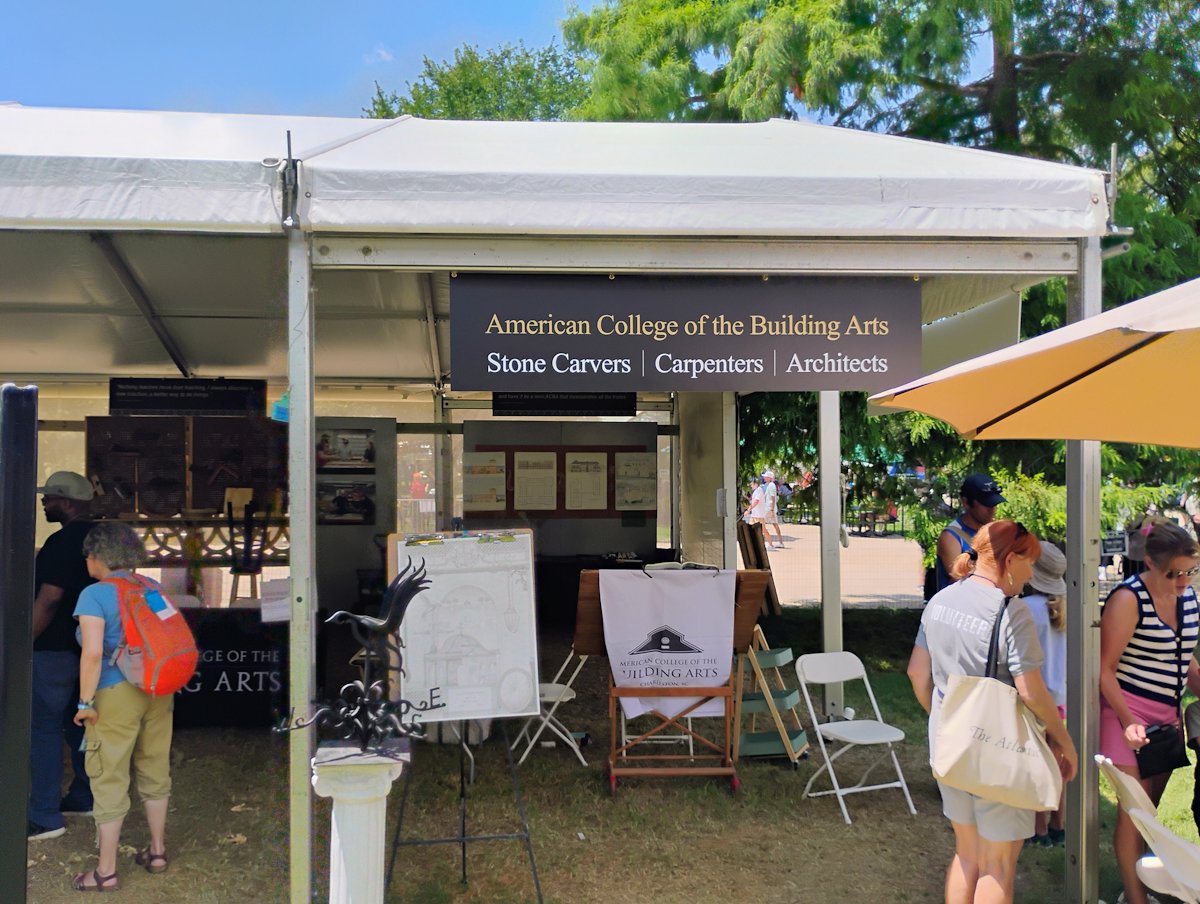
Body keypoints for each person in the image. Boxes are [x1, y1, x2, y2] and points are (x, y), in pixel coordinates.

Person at [907, 520, 1077, 904]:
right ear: (1011, 559)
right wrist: (1064, 740)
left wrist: (944, 717)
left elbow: (917, 674)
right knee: (997, 867)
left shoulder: (941, 600)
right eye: (1029, 563)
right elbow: (1031, 691)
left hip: (949, 746)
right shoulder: (1010, 611)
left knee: (966, 855)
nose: (1031, 573)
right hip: (999, 752)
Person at [70, 522, 176, 892]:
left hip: (116, 692)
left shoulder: (94, 595)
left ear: (97, 556)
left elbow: (93, 653)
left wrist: (85, 702)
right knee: (154, 765)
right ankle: (158, 852)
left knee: (109, 774)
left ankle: (106, 871)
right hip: (158, 687)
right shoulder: (151, 587)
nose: (86, 560)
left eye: (87, 554)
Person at [1099, 521, 1200, 904]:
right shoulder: (1128, 598)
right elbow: (1104, 669)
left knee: (1150, 815)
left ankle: (1135, 889)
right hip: (1127, 714)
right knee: (1134, 815)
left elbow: (1182, 655)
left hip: (1167, 718)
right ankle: (1137, 898)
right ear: (1151, 564)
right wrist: (1128, 722)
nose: (1184, 581)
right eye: (1174, 573)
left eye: (1191, 571)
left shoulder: (1189, 598)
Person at [28, 470, 97, 842]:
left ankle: (43, 816)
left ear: (67, 503)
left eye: (49, 498)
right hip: (91, 648)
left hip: (54, 650)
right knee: (80, 724)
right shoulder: (101, 540)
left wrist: (24, 644)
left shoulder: (61, 542)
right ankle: (84, 797)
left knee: (43, 729)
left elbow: (50, 598)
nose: (43, 503)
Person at [1021, 540, 1069, 848]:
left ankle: (1036, 827)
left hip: (1035, 699)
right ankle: (1058, 824)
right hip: (1062, 699)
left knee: (1034, 765)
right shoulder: (1067, 608)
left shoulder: (1025, 609)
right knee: (1057, 764)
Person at [934, 474, 1005, 594]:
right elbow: (960, 583)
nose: (991, 510)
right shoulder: (951, 537)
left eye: (994, 504)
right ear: (966, 502)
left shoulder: (996, 533)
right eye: (985, 504)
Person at [762, 469, 784, 549]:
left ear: (769, 477)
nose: (764, 478)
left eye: (766, 477)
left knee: (762, 524)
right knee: (775, 524)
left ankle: (770, 544)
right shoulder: (771, 485)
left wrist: (771, 510)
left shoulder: (771, 485)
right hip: (771, 508)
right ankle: (780, 542)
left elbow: (772, 498)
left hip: (769, 508)